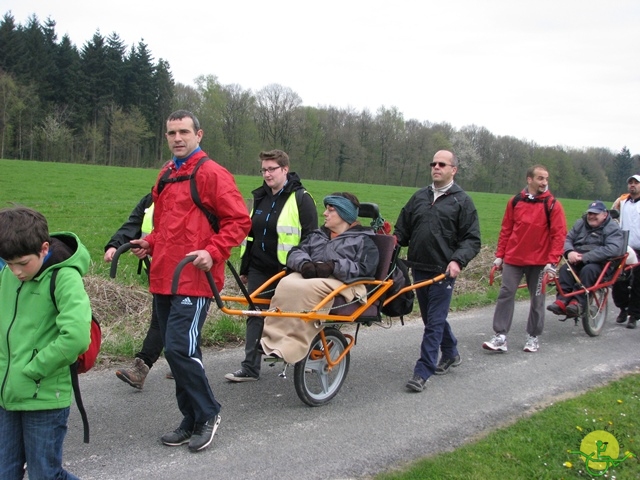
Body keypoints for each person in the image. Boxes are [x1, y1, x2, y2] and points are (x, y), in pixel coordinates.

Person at [130, 110, 251, 453]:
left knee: (181, 348)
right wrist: (148, 243)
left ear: (199, 135)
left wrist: (213, 252)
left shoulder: (213, 174)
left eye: (184, 131)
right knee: (175, 350)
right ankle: (190, 419)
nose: (177, 138)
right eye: (171, 133)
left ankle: (208, 412)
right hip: (164, 276)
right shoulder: (167, 173)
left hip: (195, 279)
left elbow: (239, 222)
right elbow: (166, 225)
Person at [0, 207, 91, 480]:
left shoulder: (64, 277)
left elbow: (76, 337)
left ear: (44, 248)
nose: (15, 271)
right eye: (8, 263)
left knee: (45, 475)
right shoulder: (8, 273)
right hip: (6, 394)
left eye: (22, 263)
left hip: (43, 396)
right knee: (5, 472)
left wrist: (33, 369)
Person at [224, 149, 317, 382]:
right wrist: (245, 269)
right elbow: (251, 236)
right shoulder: (260, 197)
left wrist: (300, 266)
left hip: (288, 271)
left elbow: (312, 238)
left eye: (271, 169)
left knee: (293, 316)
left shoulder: (301, 199)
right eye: (263, 169)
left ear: (285, 169)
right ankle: (250, 367)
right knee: (255, 313)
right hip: (259, 268)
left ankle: (301, 357)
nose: (267, 174)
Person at [394, 150, 481, 393]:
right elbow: (403, 230)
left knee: (433, 322)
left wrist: (457, 262)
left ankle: (422, 371)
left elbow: (472, 240)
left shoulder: (462, 201)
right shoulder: (419, 197)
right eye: (433, 163)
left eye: (442, 164)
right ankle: (451, 352)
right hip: (420, 268)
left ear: (453, 169)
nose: (436, 167)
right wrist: (392, 241)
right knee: (431, 318)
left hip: (444, 272)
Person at [259, 192, 379, 363]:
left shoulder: (362, 240)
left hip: (347, 283)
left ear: (344, 215)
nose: (325, 214)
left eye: (331, 210)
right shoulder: (318, 235)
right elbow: (295, 252)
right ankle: (270, 341)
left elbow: (365, 268)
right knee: (285, 282)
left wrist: (333, 266)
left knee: (307, 289)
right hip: (314, 277)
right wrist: (305, 265)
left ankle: (293, 347)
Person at [483, 165, 567, 354]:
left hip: (539, 262)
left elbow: (559, 234)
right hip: (514, 258)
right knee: (505, 294)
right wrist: (500, 256)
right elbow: (506, 229)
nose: (544, 182)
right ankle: (500, 336)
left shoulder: (552, 205)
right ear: (529, 179)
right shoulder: (515, 202)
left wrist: (552, 262)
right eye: (540, 178)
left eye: (546, 179)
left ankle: (533, 336)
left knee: (537, 299)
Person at [103, 193, 170, 389]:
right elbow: (133, 224)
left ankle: (187, 364)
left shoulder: (191, 196)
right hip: (159, 269)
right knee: (160, 320)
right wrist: (114, 245)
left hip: (189, 270)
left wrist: (150, 246)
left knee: (178, 322)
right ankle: (142, 369)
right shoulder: (151, 199)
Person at [546, 200, 625, 318]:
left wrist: (585, 257)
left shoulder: (612, 228)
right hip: (577, 259)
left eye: (595, 214)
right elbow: (567, 239)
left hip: (601, 263)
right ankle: (562, 300)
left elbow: (613, 249)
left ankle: (578, 303)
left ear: (604, 214)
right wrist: (570, 252)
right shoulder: (580, 224)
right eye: (590, 213)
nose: (591, 216)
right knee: (565, 269)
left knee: (588, 270)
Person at [611, 174, 640, 329]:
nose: (633, 185)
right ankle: (623, 308)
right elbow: (612, 212)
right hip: (624, 248)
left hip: (639, 248)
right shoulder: (623, 201)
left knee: (637, 283)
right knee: (618, 281)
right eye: (631, 183)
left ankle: (634, 315)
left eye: (636, 183)